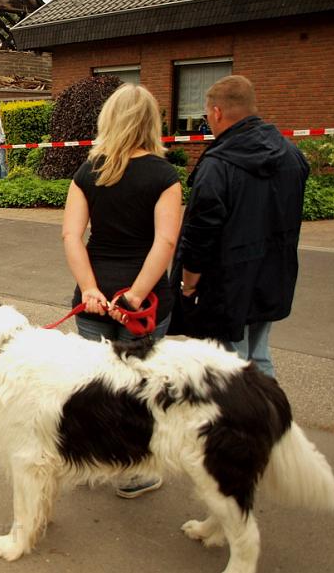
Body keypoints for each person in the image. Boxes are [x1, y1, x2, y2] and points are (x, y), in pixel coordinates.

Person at [62, 83, 182, 498]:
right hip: (143, 305)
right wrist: (135, 296)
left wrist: (90, 289)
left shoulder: (87, 171)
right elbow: (165, 243)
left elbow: (72, 237)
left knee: (97, 381)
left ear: (108, 119)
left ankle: (92, 458)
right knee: (139, 386)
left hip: (93, 302)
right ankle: (133, 472)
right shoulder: (165, 176)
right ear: (152, 121)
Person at [172, 75, 309, 378]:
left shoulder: (218, 164)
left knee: (226, 368)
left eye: (207, 115)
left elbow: (200, 231)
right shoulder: (291, 154)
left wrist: (189, 282)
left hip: (224, 286)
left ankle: (238, 423)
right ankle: (267, 422)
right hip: (272, 277)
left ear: (217, 113)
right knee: (258, 357)